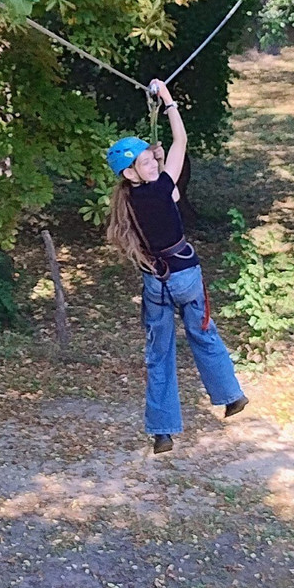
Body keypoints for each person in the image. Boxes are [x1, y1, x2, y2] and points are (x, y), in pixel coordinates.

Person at [105, 79, 248, 454]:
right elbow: (181, 142)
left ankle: (162, 433)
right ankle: (230, 396)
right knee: (204, 334)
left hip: (156, 283)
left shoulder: (130, 200)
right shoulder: (161, 185)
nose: (154, 161)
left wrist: (155, 157)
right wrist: (167, 101)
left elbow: (172, 187)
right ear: (132, 173)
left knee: (159, 355)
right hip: (184, 276)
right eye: (146, 161)